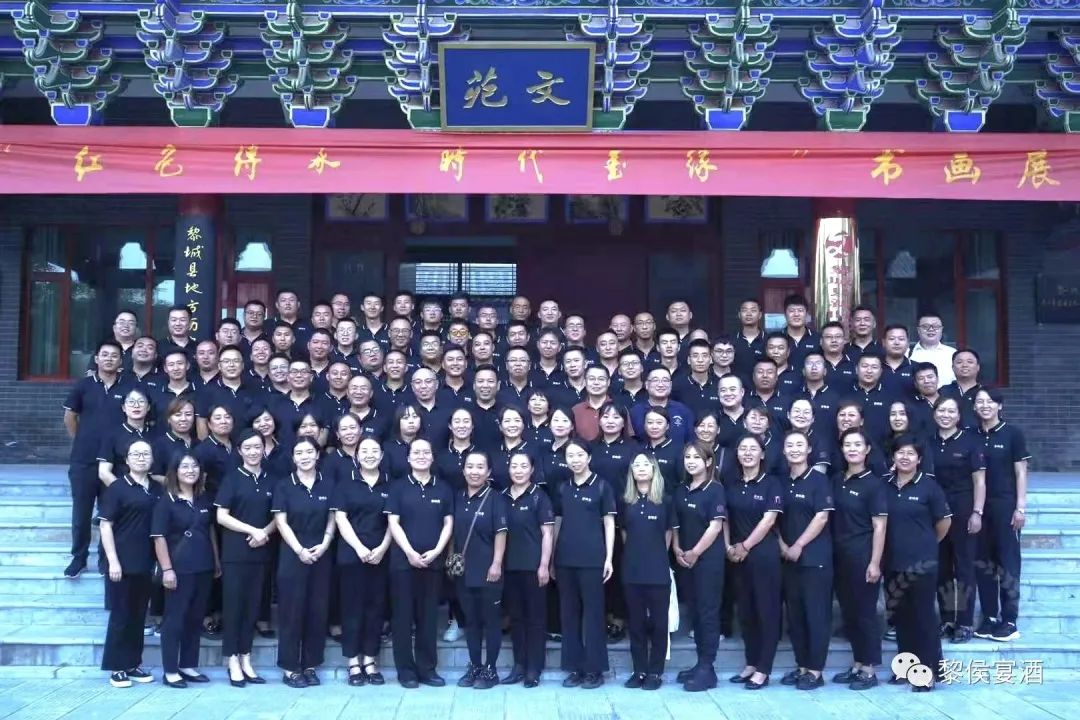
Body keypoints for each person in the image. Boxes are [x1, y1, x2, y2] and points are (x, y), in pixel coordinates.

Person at [883, 436, 952, 691]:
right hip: (892, 562)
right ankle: (905, 668)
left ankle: (928, 671)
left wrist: (927, 542)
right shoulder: (884, 485)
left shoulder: (929, 487)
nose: (905, 457)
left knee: (923, 618)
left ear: (919, 459)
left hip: (922, 563)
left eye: (910, 453)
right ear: (893, 457)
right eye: (900, 452)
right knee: (901, 617)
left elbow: (944, 522)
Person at [386, 438, 455, 689]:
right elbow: (393, 523)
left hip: (433, 564)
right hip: (403, 563)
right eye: (416, 452)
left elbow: (448, 523)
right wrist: (409, 552)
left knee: (428, 618)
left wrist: (436, 551)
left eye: (426, 452)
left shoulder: (443, 488)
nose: (421, 456)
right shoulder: (398, 487)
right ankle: (406, 671)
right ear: (408, 457)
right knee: (402, 618)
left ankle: (427, 669)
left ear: (433, 457)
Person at [63, 340, 135, 579]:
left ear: (121, 360)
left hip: (116, 462)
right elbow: (70, 417)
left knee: (111, 513)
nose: (109, 359)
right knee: (81, 513)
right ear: (96, 359)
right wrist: (82, 439)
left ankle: (107, 559)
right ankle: (79, 558)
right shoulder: (83, 385)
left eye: (114, 355)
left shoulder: (129, 386)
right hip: (84, 460)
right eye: (105, 355)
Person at [152, 452, 220, 688]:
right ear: (175, 471)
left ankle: (188, 665)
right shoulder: (166, 502)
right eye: (184, 466)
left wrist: (216, 561)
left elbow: (210, 531)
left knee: (195, 618)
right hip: (179, 569)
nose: (190, 470)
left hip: (204, 567)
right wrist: (167, 569)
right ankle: (171, 670)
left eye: (194, 466)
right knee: (175, 620)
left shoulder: (204, 499)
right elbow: (159, 537)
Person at [272, 437, 336, 688]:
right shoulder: (284, 485)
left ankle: (310, 665)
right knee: (292, 611)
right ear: (293, 457)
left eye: (309, 452)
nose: (305, 456)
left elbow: (332, 517)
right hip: (292, 554)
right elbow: (281, 522)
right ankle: (290, 668)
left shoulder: (328, 484)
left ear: (317, 455)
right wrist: (299, 549)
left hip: (321, 553)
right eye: (299, 452)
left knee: (317, 611)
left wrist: (325, 543)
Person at [216, 429, 277, 687]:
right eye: (248, 447)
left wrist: (264, 533)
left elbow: (279, 515)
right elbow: (221, 516)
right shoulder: (232, 479)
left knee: (253, 607)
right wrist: (253, 530)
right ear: (240, 451)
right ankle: (232, 660)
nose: (253, 452)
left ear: (264, 449)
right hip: (235, 553)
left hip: (261, 552)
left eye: (257, 447)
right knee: (234, 608)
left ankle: (246, 658)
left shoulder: (272, 480)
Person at [553, 439, 616, 690]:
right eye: (570, 455)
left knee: (593, 614)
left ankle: (594, 669)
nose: (575, 460)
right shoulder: (562, 487)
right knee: (568, 614)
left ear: (589, 457)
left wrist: (609, 558)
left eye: (580, 455)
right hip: (565, 559)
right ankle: (574, 668)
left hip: (592, 559)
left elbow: (609, 523)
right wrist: (551, 558)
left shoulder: (601, 486)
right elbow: (557, 522)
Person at [98, 439, 161, 688]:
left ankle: (133, 664)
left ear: (152, 459)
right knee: (121, 616)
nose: (141, 457)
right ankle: (117, 668)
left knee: (138, 616)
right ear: (126, 460)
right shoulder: (117, 488)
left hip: (145, 562)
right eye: (136, 454)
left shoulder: (156, 488)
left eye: (146, 453)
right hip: (121, 563)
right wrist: (113, 561)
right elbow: (105, 526)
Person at [725, 433, 783, 691]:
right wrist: (728, 546)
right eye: (743, 448)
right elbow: (724, 517)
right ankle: (751, 663)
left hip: (763, 555)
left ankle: (763, 669)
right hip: (737, 556)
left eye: (753, 449)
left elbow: (769, 520)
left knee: (766, 612)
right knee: (746, 612)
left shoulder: (771, 483)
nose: (747, 453)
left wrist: (746, 546)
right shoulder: (731, 482)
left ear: (762, 454)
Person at [777, 430, 834, 692]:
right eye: (790, 445)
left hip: (815, 558)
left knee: (816, 615)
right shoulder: (781, 481)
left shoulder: (819, 480)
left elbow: (822, 517)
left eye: (800, 445)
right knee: (796, 616)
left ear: (809, 449)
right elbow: (773, 517)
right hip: (788, 558)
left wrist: (799, 545)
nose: (795, 449)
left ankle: (815, 670)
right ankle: (801, 666)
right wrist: (783, 546)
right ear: (783, 450)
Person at [332, 437, 391, 686]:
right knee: (352, 608)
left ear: (382, 455)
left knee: (375, 608)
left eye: (374, 450)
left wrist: (382, 548)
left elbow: (393, 521)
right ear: (356, 456)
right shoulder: (345, 485)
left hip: (381, 556)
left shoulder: (390, 484)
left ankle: (370, 659)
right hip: (351, 554)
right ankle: (353, 662)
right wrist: (359, 547)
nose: (369, 455)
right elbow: (340, 519)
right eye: (364, 450)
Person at [831, 428, 887, 690]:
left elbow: (880, 526)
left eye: (857, 444)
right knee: (850, 612)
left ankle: (869, 669)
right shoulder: (837, 479)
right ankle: (857, 663)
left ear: (867, 450)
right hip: (839, 556)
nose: (852, 449)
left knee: (865, 613)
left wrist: (875, 562)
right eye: (847, 445)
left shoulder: (874, 484)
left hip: (863, 556)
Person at [973, 388, 1029, 642]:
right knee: (983, 564)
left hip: (1005, 506)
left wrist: (1020, 507)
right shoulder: (970, 434)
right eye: (980, 401)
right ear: (974, 407)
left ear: (999, 406)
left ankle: (1009, 619)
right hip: (978, 508)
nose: (985, 405)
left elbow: (1021, 472)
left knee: (1008, 563)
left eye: (990, 401)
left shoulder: (1012, 434)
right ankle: (989, 617)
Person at [930, 396, 986, 644]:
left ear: (959, 415)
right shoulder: (928, 442)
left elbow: (980, 481)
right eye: (941, 410)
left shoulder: (970, 442)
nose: (946, 415)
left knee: (963, 567)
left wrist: (977, 512)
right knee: (942, 568)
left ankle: (964, 622)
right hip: (936, 513)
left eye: (951, 411)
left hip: (963, 510)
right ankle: (947, 620)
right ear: (934, 413)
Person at [672, 443, 726, 692]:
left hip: (707, 560)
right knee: (694, 612)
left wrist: (695, 552)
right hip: (685, 559)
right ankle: (700, 663)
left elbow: (715, 526)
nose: (691, 461)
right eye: (688, 457)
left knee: (707, 613)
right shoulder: (681, 489)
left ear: (708, 462)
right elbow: (675, 524)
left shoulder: (715, 489)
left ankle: (707, 667)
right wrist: (677, 548)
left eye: (697, 457)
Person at [453, 451, 509, 690]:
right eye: (470, 466)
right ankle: (475, 666)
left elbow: (501, 533)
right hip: (464, 571)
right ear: (463, 470)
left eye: (480, 467)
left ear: (488, 472)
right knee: (471, 621)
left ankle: (490, 669)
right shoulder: (458, 497)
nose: (474, 471)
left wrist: (496, 563)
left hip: (489, 570)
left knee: (491, 621)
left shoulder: (496, 499)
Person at [617, 453, 673, 692]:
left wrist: (655, 555)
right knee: (636, 623)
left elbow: (668, 535)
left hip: (657, 570)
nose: (641, 468)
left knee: (659, 624)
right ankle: (639, 669)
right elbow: (624, 533)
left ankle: (655, 671)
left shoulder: (665, 500)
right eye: (636, 464)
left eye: (645, 464)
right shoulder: (626, 501)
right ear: (631, 471)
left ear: (654, 469)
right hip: (632, 570)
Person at [501, 451, 555, 688]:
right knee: (516, 618)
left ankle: (534, 667)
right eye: (514, 466)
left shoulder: (539, 497)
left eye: (524, 466)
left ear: (532, 470)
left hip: (534, 567)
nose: (519, 470)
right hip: (509, 567)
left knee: (535, 619)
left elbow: (548, 534)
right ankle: (519, 665)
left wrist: (544, 565)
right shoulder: (502, 496)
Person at [908, 312, 956, 386]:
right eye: (925, 326)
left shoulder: (953, 353)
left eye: (936, 326)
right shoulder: (908, 353)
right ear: (918, 330)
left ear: (942, 329)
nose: (931, 329)